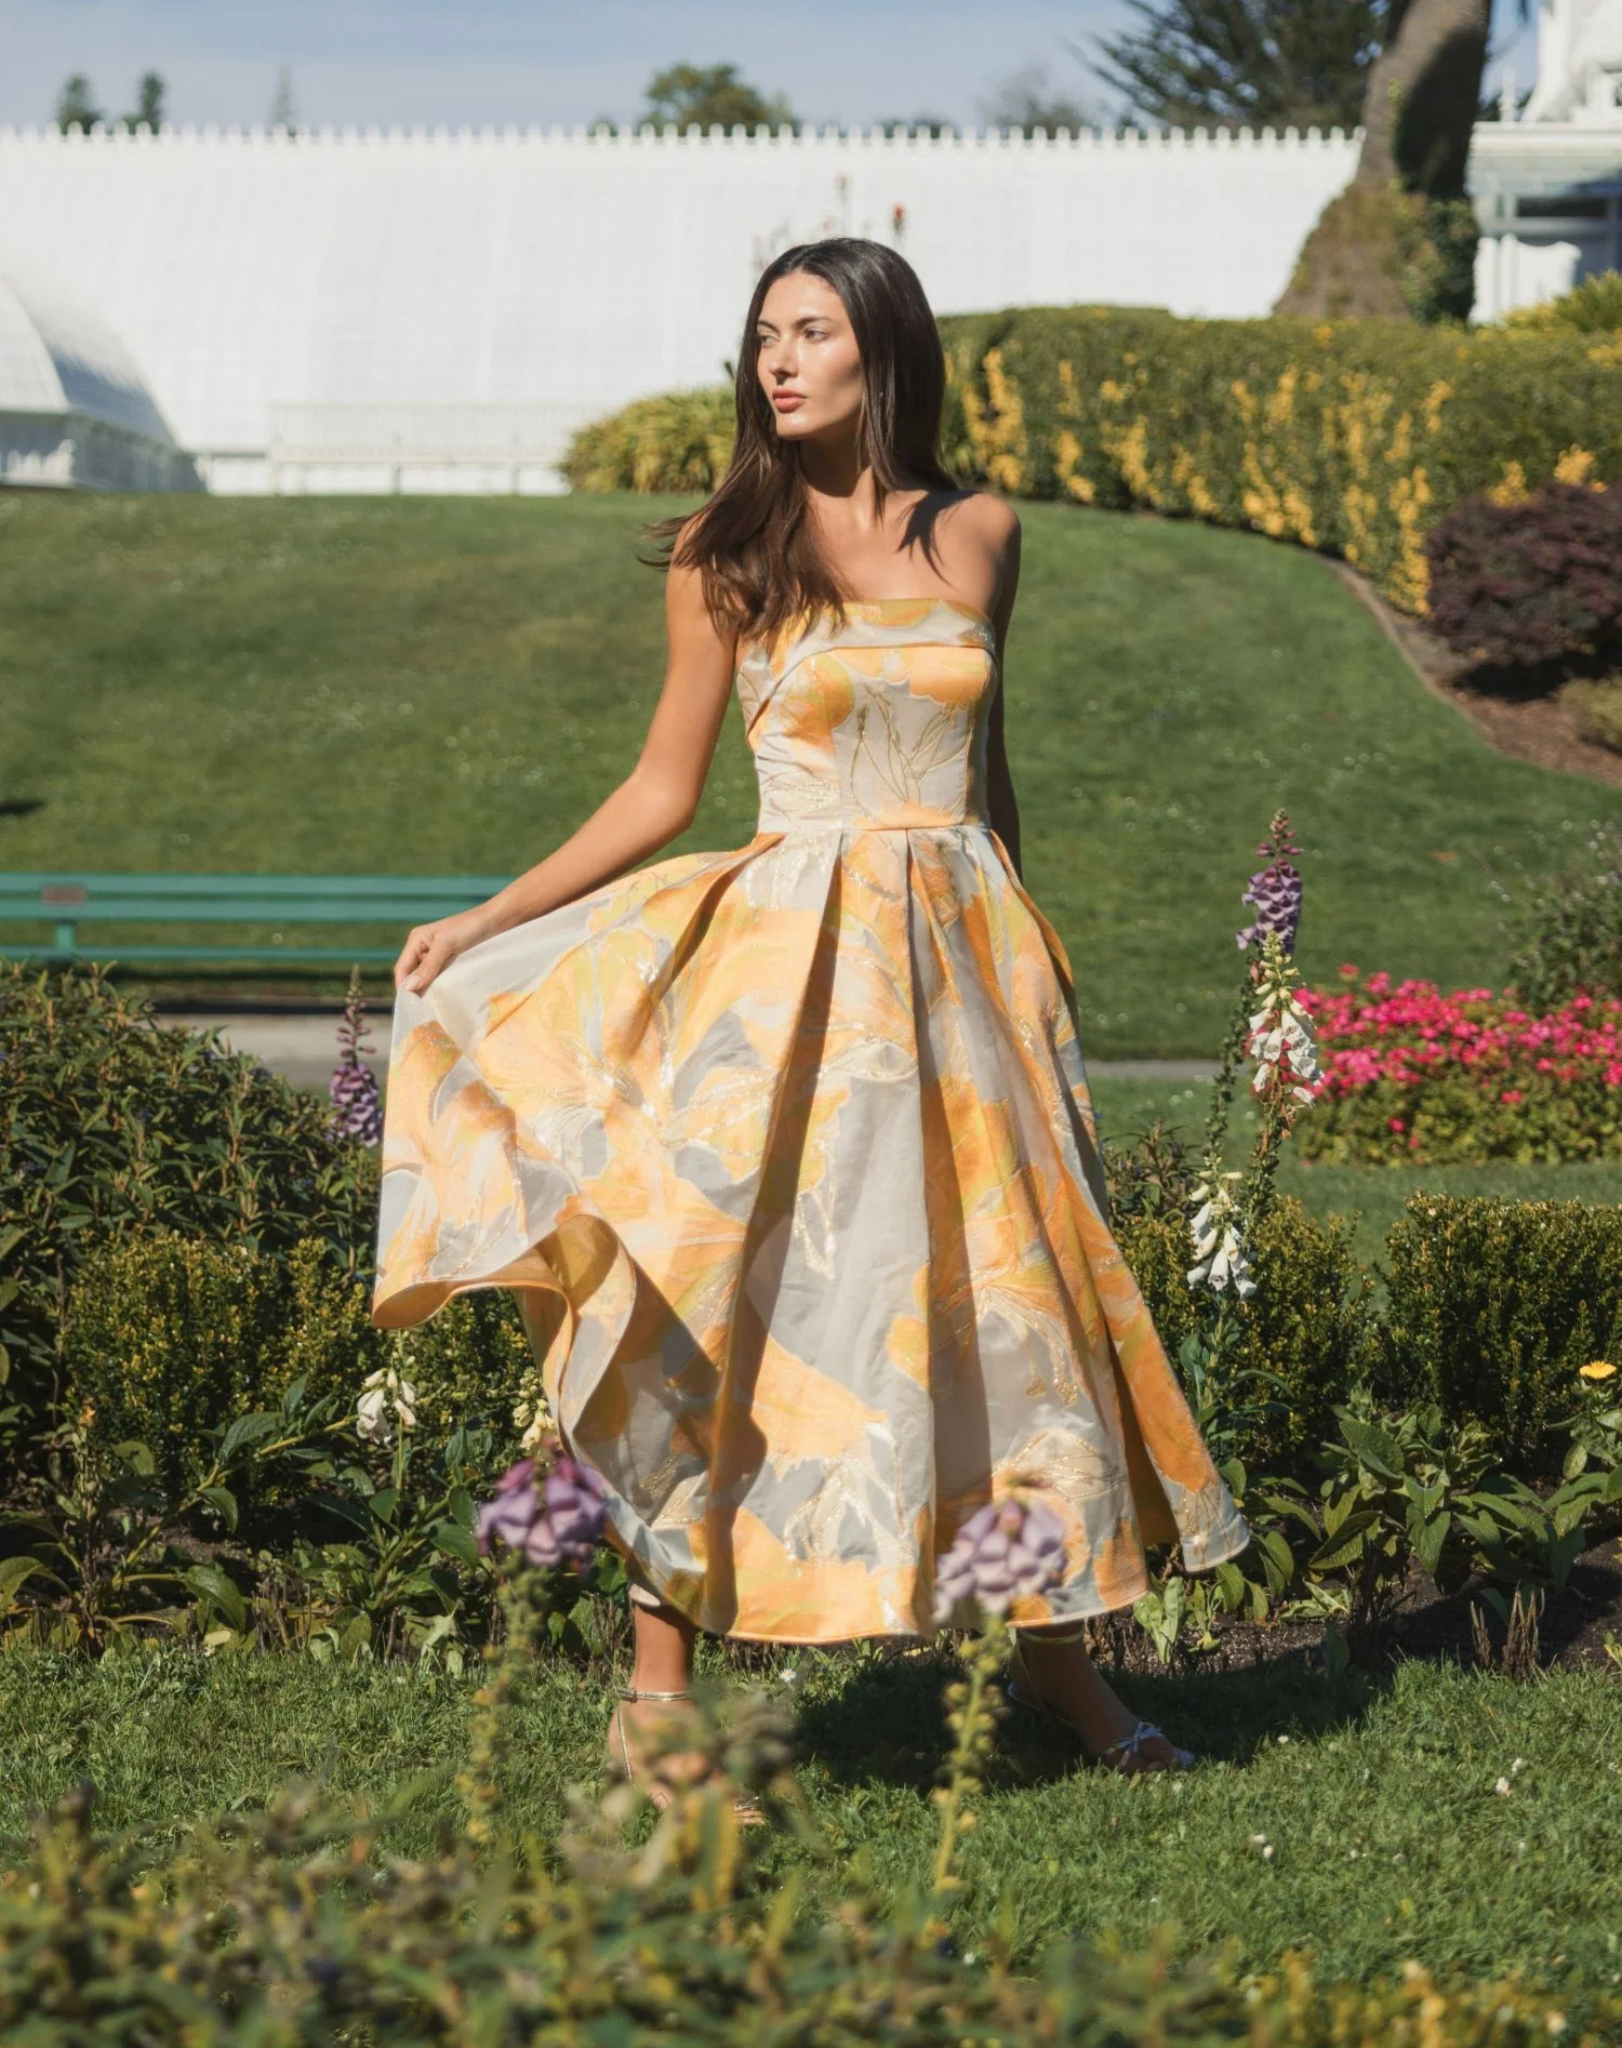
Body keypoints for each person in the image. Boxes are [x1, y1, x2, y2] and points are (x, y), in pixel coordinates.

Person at [371, 236, 1250, 1808]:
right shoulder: (729, 545)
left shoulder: (982, 529)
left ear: (882, 355)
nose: (779, 363)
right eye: (763, 337)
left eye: (813, 334)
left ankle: (1057, 1666)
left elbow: (988, 769)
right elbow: (661, 787)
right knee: (735, 1297)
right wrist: (490, 916)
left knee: (1009, 1312)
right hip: (791, 977)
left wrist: (1029, 941)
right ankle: (656, 1686)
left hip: (967, 976)